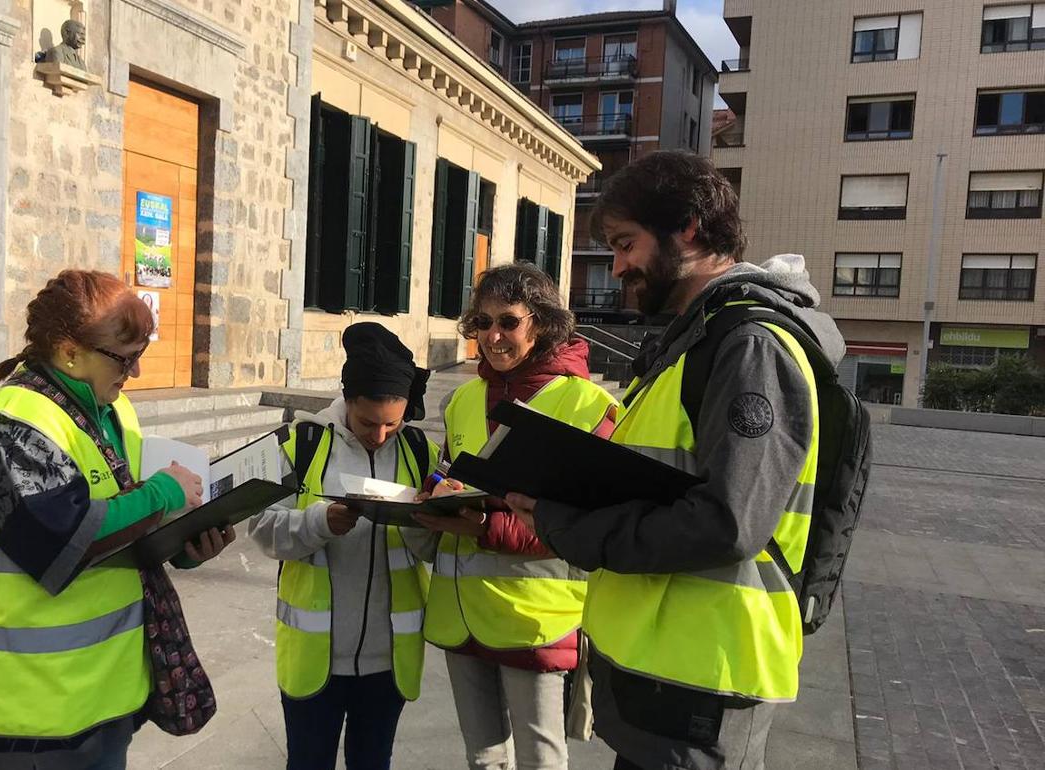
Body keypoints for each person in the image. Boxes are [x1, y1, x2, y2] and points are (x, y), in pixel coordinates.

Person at [506, 151, 846, 770]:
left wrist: (568, 527)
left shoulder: (748, 346)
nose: (618, 267)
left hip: (704, 680)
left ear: (688, 228)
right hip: (664, 677)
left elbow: (727, 522)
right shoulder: (696, 340)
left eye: (626, 244)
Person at [0, 269, 234, 770]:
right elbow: (62, 542)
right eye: (125, 358)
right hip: (26, 718)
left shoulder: (114, 412)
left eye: (141, 354)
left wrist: (186, 543)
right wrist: (162, 493)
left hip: (104, 702)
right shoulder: (9, 426)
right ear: (69, 352)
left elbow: (129, 532)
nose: (135, 373)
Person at [416, 263, 620, 770]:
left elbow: (591, 522)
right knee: (483, 758)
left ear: (542, 323)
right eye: (483, 323)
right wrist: (435, 489)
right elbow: (448, 469)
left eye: (508, 321)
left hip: (535, 617)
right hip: (459, 612)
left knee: (540, 759)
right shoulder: (462, 399)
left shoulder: (588, 406)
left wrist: (488, 527)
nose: (493, 336)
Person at [248, 322, 441, 770]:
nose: (380, 435)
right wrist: (319, 522)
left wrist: (423, 520)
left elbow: (435, 548)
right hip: (315, 660)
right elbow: (261, 527)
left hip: (389, 661)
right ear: (347, 400)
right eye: (368, 422)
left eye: (392, 423)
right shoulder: (300, 444)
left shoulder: (419, 451)